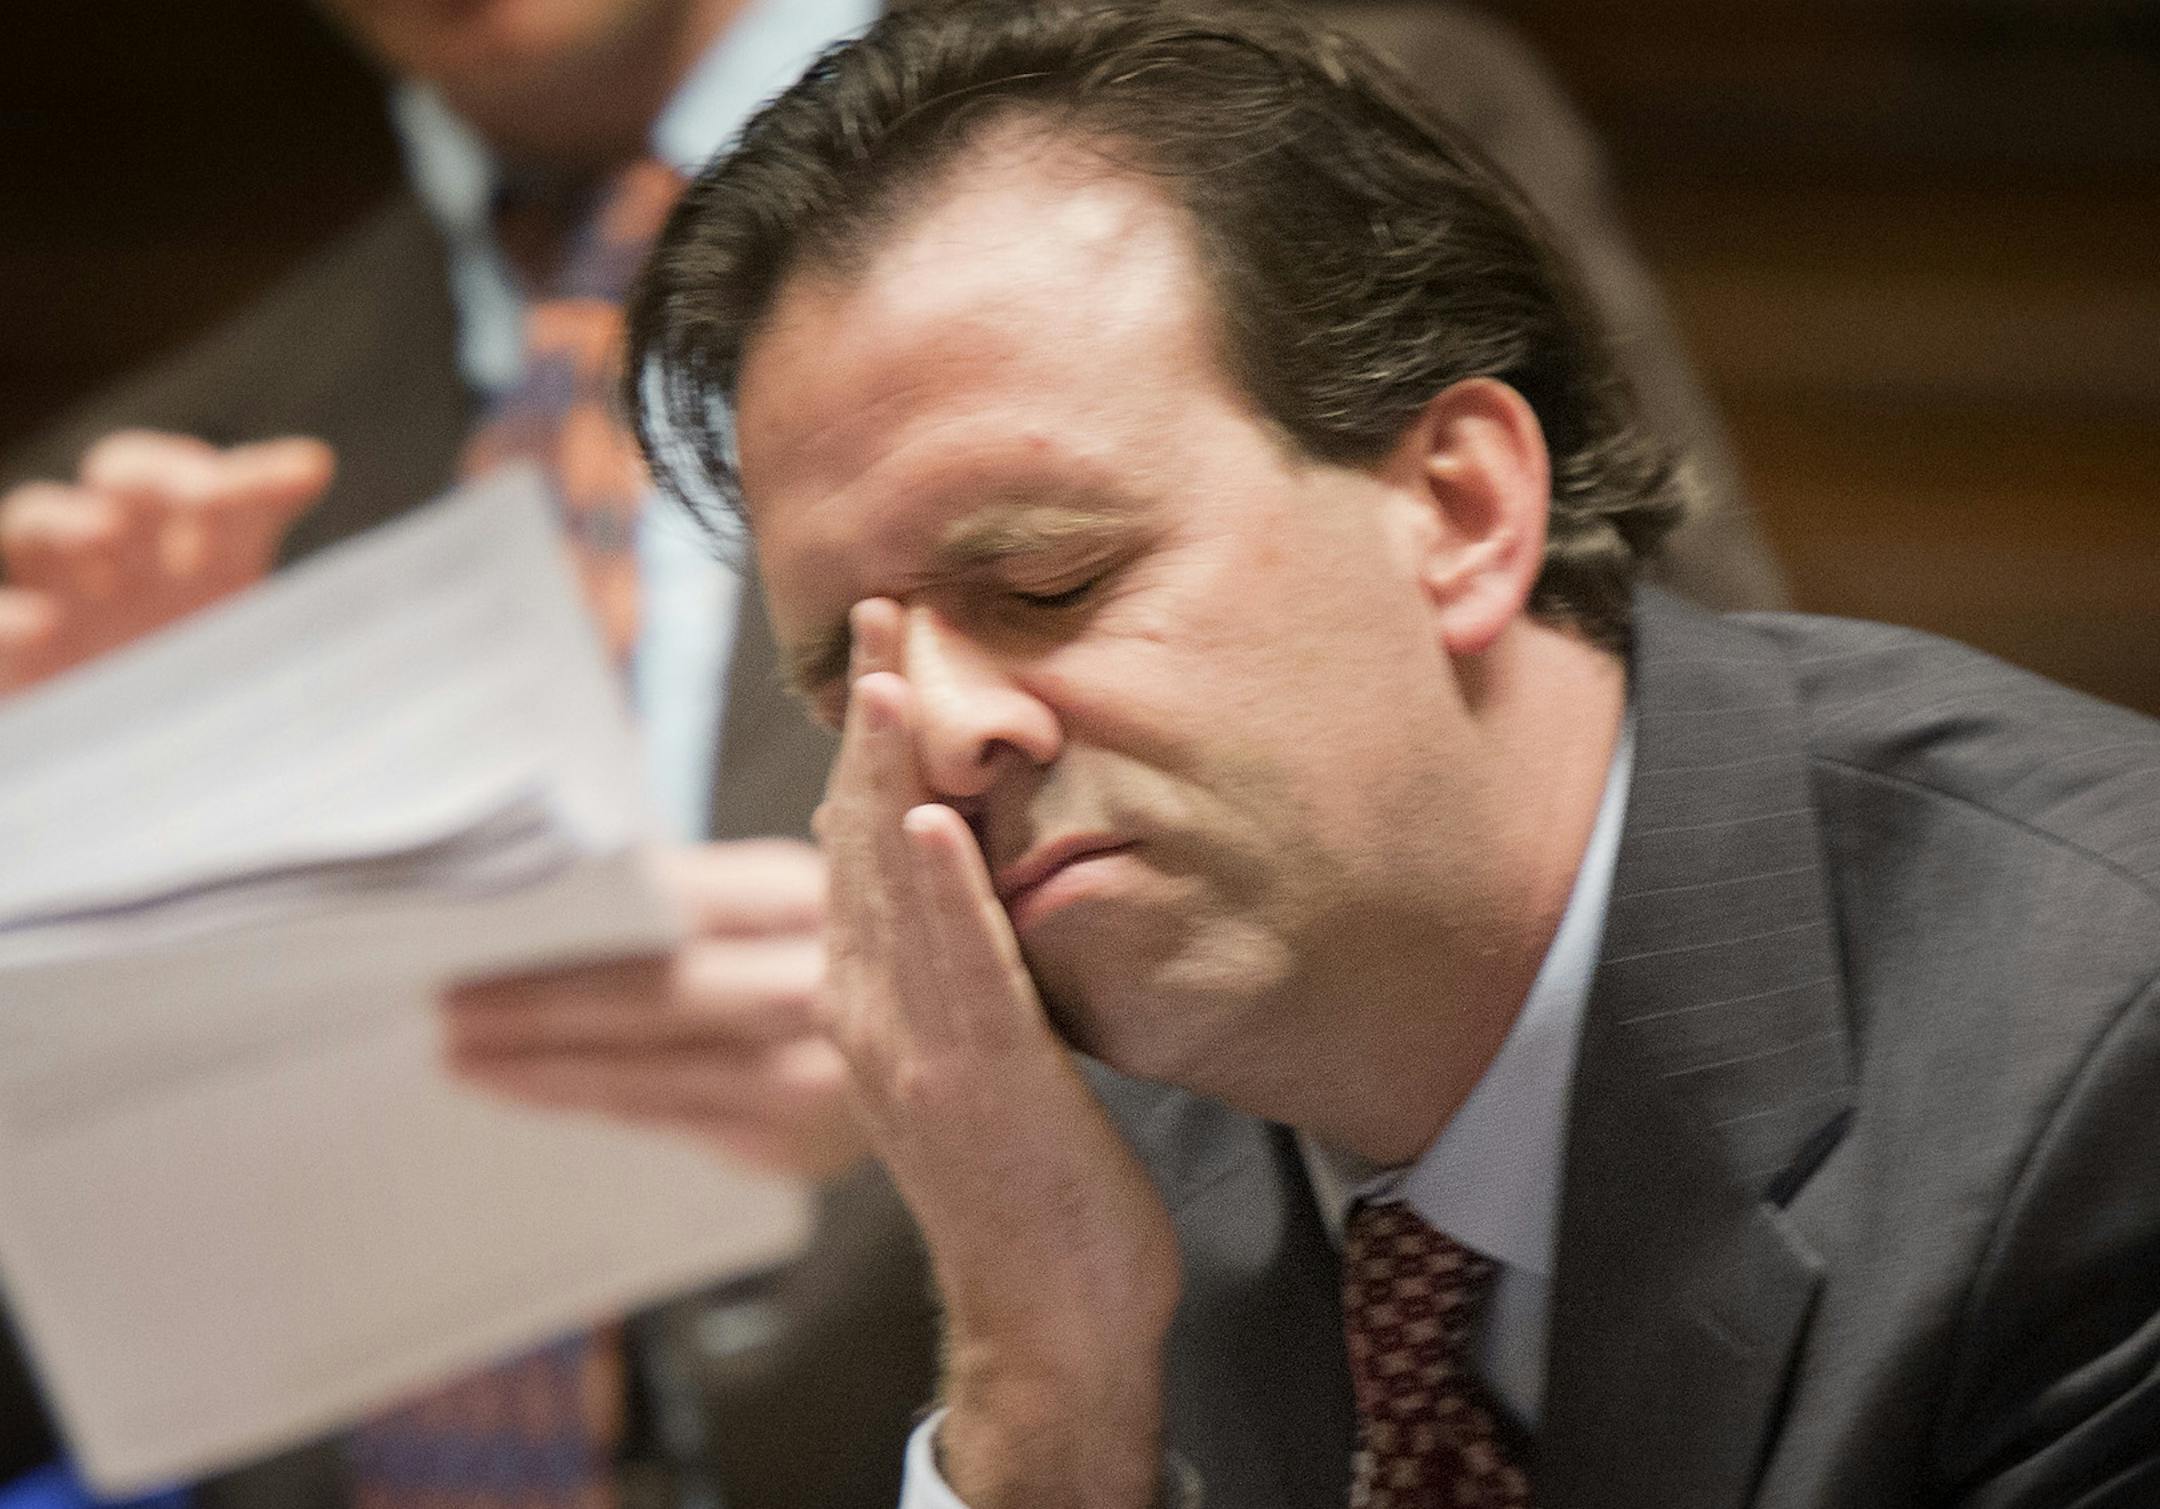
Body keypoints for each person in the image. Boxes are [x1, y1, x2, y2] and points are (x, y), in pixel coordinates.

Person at [0, 3, 1786, 1507]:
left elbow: (1657, 875)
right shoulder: (134, 487)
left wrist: (952, 1071)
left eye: (1043, 576)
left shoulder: (1263, 104)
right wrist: (83, 960)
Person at [594, 3, 2160, 1506]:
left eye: (1048, 583)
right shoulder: (1044, 1142)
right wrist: (1044, 1394)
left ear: (1463, 511)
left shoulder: (2099, 1059)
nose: (940, 731)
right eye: (843, 676)